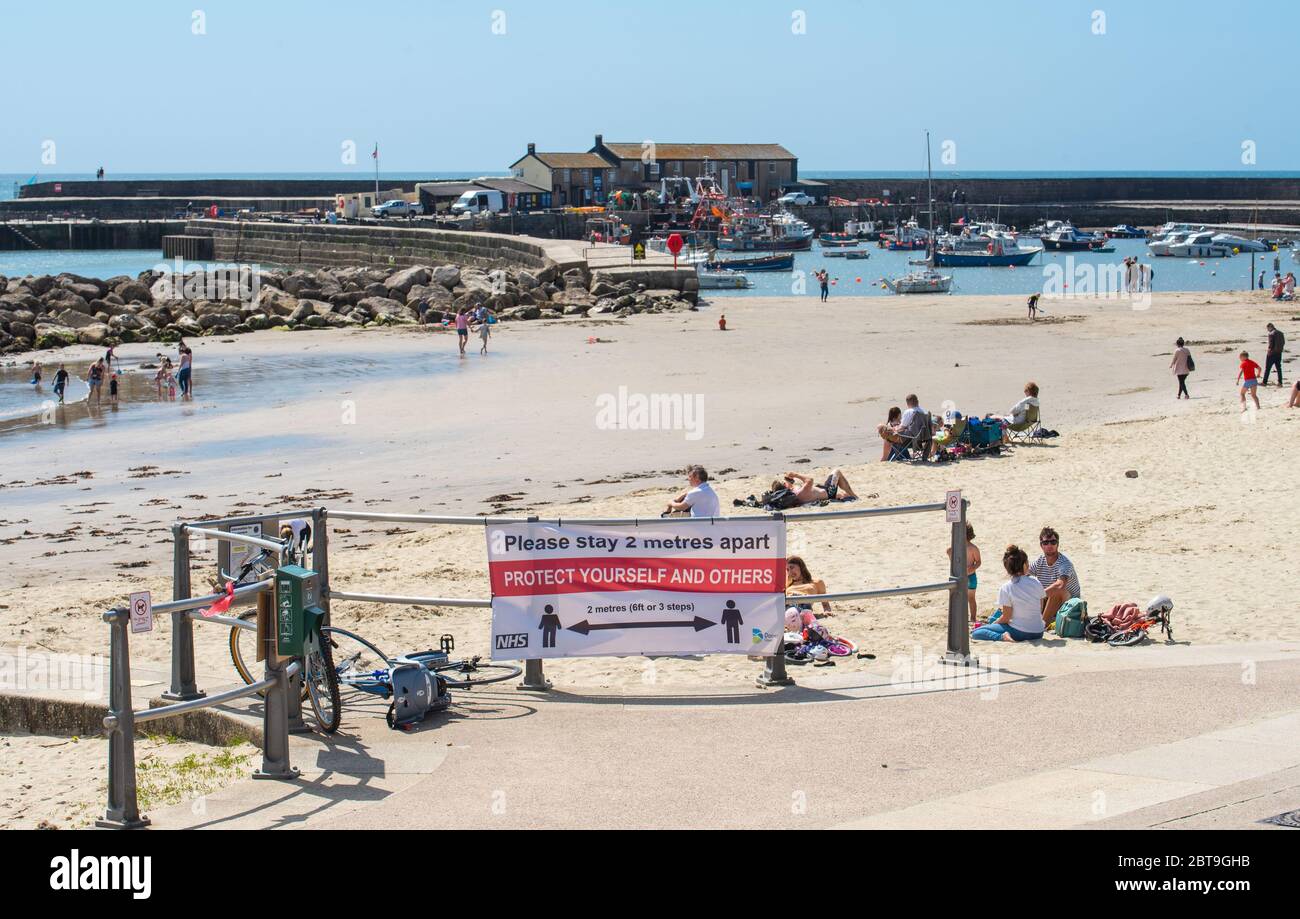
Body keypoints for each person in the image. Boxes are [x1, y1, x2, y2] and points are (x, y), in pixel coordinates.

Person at [971, 544, 1046, 642]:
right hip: (1038, 632)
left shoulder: (1006, 587)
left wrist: (993, 625)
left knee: (976, 632)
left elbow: (1006, 617)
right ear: (1024, 565)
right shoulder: (1036, 581)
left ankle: (1002, 637)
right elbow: (1040, 607)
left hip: (1020, 632)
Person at [1029, 527, 1081, 626]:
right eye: (1046, 543)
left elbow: (1060, 585)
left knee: (1057, 590)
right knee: (1029, 584)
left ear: (1057, 544)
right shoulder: (1040, 561)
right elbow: (1022, 574)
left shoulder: (1064, 563)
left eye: (1053, 542)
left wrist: (1038, 595)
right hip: (1049, 603)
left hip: (1070, 607)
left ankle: (1042, 625)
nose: (1050, 545)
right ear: (1041, 546)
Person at [947, 524, 981, 622]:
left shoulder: (972, 548)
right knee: (959, 598)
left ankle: (973, 617)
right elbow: (952, 559)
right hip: (959, 576)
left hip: (971, 576)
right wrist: (950, 553)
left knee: (971, 598)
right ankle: (961, 618)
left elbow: (978, 562)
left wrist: (972, 568)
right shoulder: (954, 548)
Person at [773, 470, 857, 505]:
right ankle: (854, 496)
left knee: (843, 495)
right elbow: (810, 480)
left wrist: (790, 483)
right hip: (828, 492)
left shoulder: (792, 495)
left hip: (821, 491)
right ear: (785, 486)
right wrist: (795, 475)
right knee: (836, 472)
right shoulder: (798, 493)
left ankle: (847, 495)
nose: (786, 481)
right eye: (785, 482)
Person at [899, 394, 934, 460]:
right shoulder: (925, 412)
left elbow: (902, 427)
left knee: (893, 437)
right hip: (925, 438)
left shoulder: (909, 411)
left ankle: (897, 457)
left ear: (908, 402)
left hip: (912, 439)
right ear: (917, 401)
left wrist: (894, 429)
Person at [1263, 323, 1285, 387]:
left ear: (1270, 327)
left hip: (1272, 353)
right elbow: (1283, 342)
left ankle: (1264, 382)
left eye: (1268, 328)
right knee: (1279, 368)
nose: (1268, 330)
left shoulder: (1271, 333)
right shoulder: (1281, 333)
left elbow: (1271, 344)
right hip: (1279, 352)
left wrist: (1269, 351)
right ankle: (1280, 382)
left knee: (1268, 368)